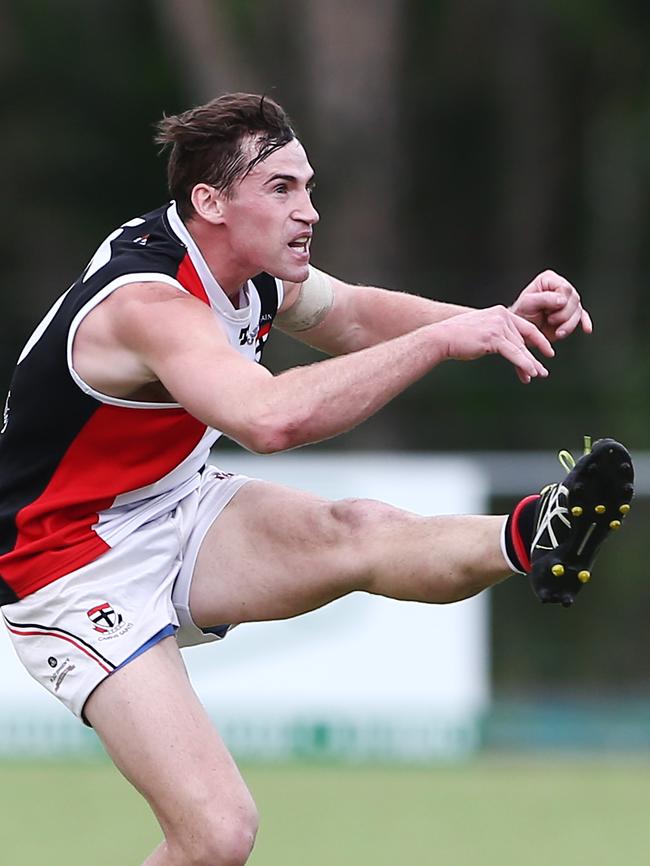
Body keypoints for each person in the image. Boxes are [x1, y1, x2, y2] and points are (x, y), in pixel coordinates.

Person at [0, 92, 633, 866]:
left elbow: (359, 316)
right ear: (210, 202)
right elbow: (268, 421)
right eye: (281, 189)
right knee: (218, 837)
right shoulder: (148, 303)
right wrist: (443, 341)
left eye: (307, 187)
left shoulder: (255, 270)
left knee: (358, 529)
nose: (309, 211)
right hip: (67, 558)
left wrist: (498, 318)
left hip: (169, 502)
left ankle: (534, 535)